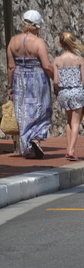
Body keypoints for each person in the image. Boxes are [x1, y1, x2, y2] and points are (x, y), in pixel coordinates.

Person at [6, 10, 53, 159]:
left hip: (19, 78)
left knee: (23, 112)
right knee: (42, 110)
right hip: (38, 78)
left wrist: (10, 87)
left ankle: (27, 147)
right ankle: (36, 138)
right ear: (37, 26)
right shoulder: (38, 42)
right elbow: (46, 65)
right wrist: (56, 79)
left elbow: (11, 67)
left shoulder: (13, 41)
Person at [53, 31, 84, 161]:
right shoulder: (79, 59)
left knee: (68, 121)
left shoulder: (57, 60)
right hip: (77, 91)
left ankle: (67, 148)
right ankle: (72, 150)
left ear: (60, 44)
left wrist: (57, 91)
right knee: (76, 122)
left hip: (64, 93)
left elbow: (56, 81)